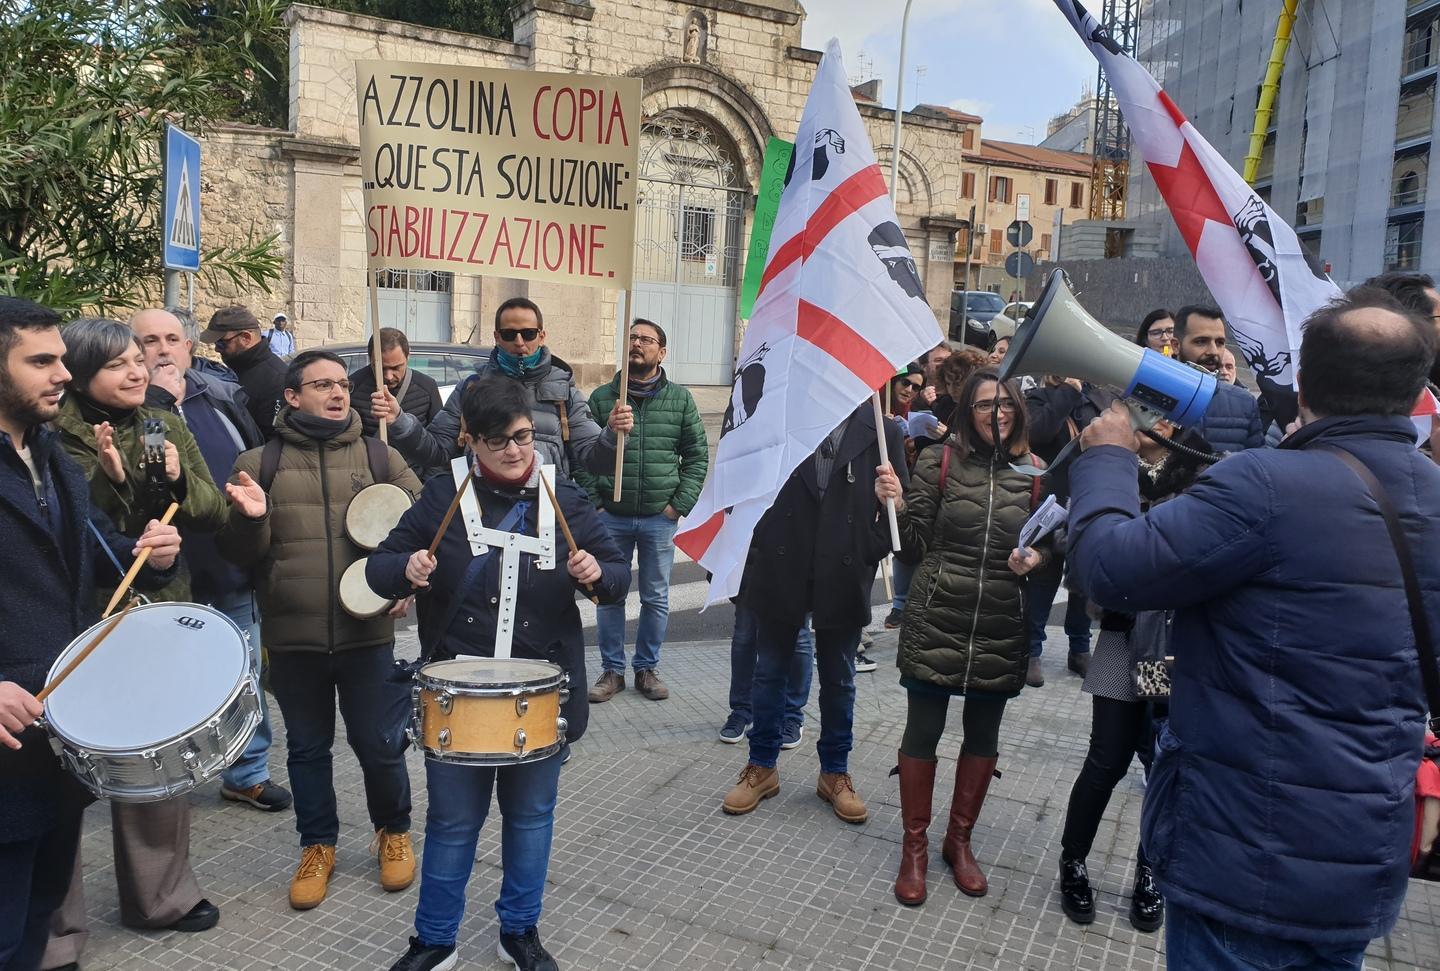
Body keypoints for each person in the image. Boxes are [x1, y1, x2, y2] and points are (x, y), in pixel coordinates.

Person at [1067, 288, 1440, 970]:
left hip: (1243, 852)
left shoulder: (1266, 483)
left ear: (1304, 381)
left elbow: (1107, 567)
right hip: (1359, 854)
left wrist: (1108, 458)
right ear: (1415, 389)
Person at [368, 375, 630, 971]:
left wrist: (597, 572)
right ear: (470, 441)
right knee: (454, 822)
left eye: (521, 437)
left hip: (540, 694)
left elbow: (617, 578)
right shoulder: (442, 494)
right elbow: (379, 568)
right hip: (458, 693)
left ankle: (520, 932)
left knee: (532, 819)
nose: (514, 452)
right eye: (496, 442)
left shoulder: (565, 496)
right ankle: (434, 939)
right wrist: (404, 568)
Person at [0, 297, 182, 971]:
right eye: (40, 361)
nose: (62, 376)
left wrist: (151, 554)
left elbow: (100, 559)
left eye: (60, 360)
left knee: (35, 922)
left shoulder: (49, 455)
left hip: (53, 748)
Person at [43, 318, 229, 967]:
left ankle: (161, 895)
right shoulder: (52, 436)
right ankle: (54, 928)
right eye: (118, 362)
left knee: (156, 759)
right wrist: (113, 478)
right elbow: (81, 532)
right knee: (62, 770)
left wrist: (176, 480)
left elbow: (212, 506)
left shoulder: (162, 421)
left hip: (159, 609)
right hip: (82, 622)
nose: (136, 371)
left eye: (138, 359)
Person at [219, 350, 421, 912]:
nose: (337, 392)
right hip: (292, 638)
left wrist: (405, 582)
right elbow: (238, 555)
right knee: (307, 750)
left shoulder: (381, 457)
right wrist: (251, 517)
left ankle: (393, 831)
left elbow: (426, 531)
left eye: (341, 383)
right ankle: (317, 846)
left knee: (379, 746)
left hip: (367, 637)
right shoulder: (258, 461)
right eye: (321, 384)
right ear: (291, 396)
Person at [875, 370, 1048, 906]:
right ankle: (915, 849)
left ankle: (959, 842)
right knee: (922, 732)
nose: (996, 413)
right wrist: (899, 506)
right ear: (966, 412)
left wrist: (1039, 559)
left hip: (1000, 622)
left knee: (983, 736)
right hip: (937, 615)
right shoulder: (939, 460)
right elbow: (914, 547)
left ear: (1017, 409)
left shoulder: (1037, 474)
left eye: (1005, 404)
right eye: (982, 405)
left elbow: (1053, 548)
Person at [130, 308, 290, 813]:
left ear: (189, 347)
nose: (162, 349)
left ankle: (248, 772)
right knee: (173, 681)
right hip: (166, 579)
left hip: (229, 567)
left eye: (172, 339)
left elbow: (254, 463)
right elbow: (153, 484)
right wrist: (158, 406)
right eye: (149, 340)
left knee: (242, 672)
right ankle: (171, 780)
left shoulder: (219, 396)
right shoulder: (132, 411)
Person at [1055, 418, 1208, 935]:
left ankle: (1151, 873)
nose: (1152, 419)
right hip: (1124, 639)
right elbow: (1084, 556)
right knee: (1106, 759)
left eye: (1161, 409)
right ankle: (1072, 862)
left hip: (1176, 646)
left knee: (1165, 762)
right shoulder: (1108, 466)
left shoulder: (1203, 465)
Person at [721, 404, 907, 824]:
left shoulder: (881, 428)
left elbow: (899, 512)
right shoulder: (781, 413)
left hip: (842, 568)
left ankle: (835, 772)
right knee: (769, 671)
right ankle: (761, 765)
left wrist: (873, 538)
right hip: (782, 563)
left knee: (840, 678)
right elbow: (744, 488)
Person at [574, 319, 708, 703]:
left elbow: (697, 457)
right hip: (610, 518)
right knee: (609, 595)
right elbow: (582, 457)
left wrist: (677, 505)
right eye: (632, 337)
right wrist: (596, 504)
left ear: (661, 352)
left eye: (646, 340)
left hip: (657, 519)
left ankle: (646, 668)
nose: (637, 344)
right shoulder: (602, 398)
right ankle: (612, 671)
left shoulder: (680, 400)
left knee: (655, 596)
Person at [380, 298, 616, 481]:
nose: (520, 342)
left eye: (529, 333)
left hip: (545, 515)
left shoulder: (565, 393)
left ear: (541, 336)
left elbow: (595, 461)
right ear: (497, 337)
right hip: (481, 515)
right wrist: (400, 420)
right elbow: (437, 451)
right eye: (509, 334)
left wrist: (614, 434)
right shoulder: (471, 388)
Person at [1019, 374, 1116, 684]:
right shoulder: (1037, 397)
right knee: (1042, 578)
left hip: (1089, 498)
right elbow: (1037, 433)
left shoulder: (1101, 399)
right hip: (1049, 502)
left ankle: (1080, 649)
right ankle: (1031, 650)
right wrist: (1066, 393)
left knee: (1083, 580)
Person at [1173, 306, 1264, 452]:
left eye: (1220, 343)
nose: (1213, 351)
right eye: (1201, 341)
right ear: (1176, 346)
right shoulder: (1147, 393)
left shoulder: (1245, 402)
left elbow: (1254, 465)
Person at [350, 327, 444, 465]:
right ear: (370, 359)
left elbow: (439, 443)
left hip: (414, 478)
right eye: (381, 368)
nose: (388, 376)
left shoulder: (427, 386)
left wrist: (428, 481)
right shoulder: (353, 386)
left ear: (408, 356)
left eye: (396, 368)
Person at [199, 306, 288, 441]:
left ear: (246, 338)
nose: (217, 349)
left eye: (221, 343)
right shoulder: (235, 370)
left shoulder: (277, 380)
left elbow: (272, 442)